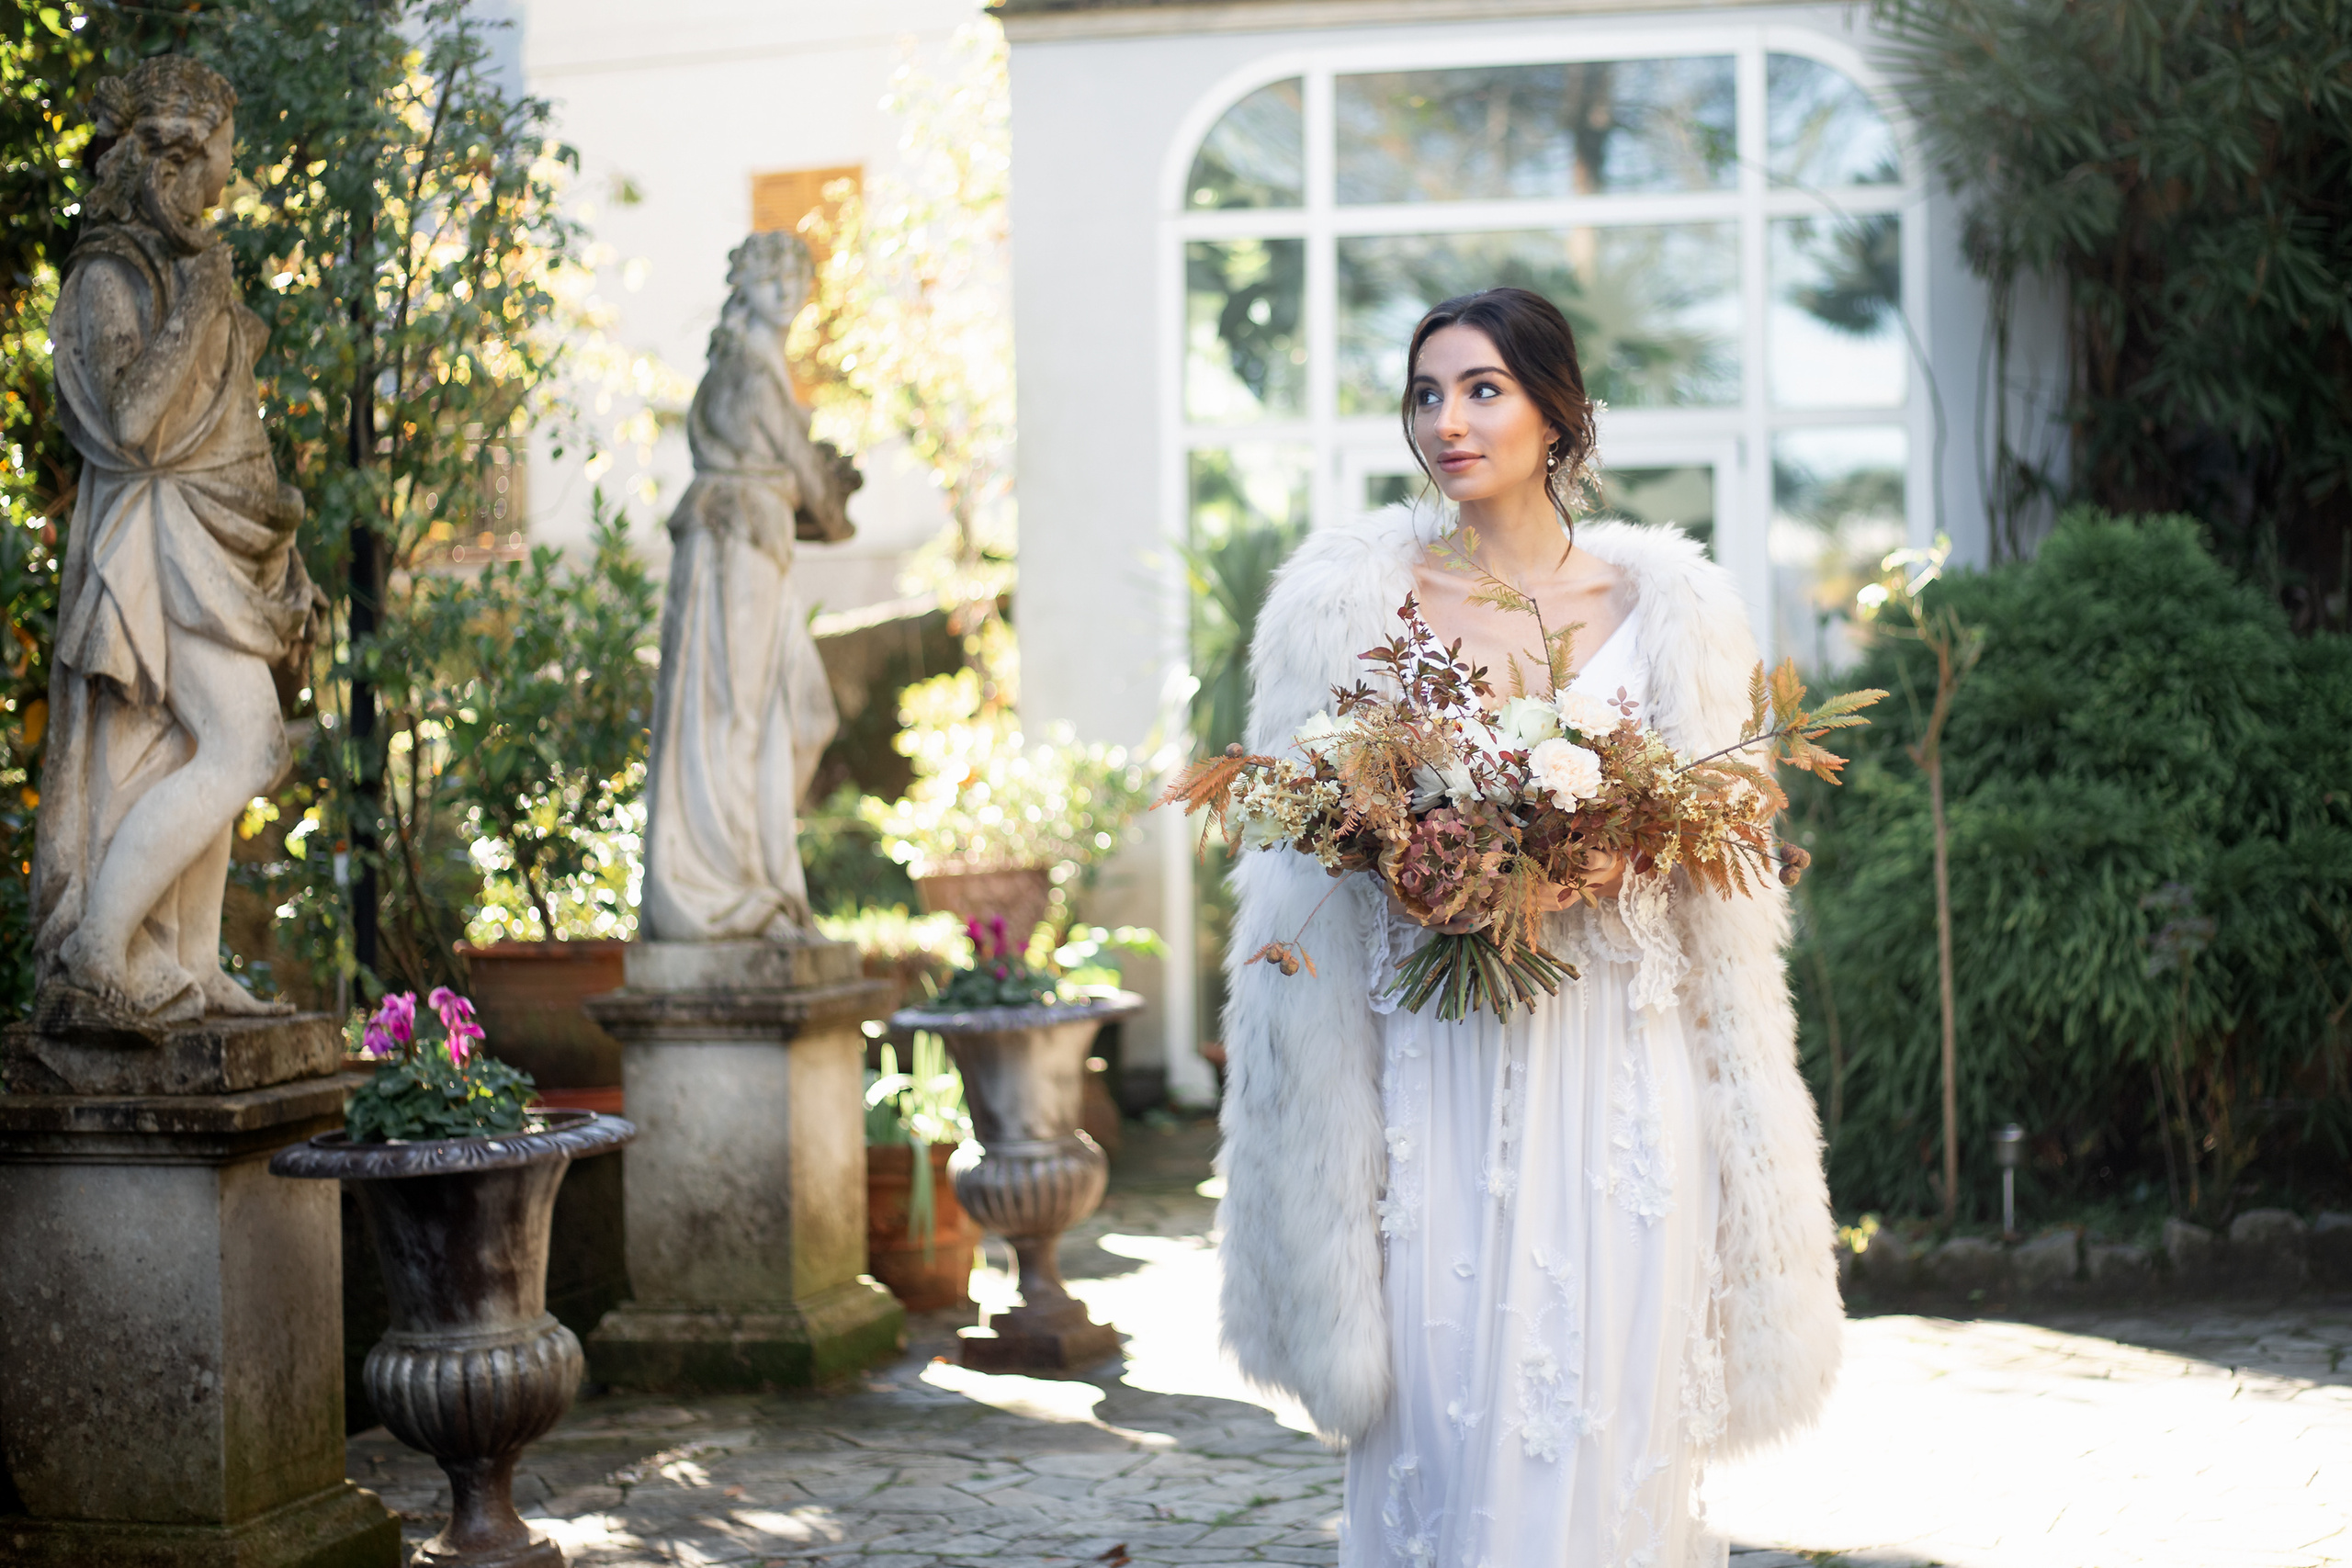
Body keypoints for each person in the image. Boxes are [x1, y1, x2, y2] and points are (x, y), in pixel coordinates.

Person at [1216, 288, 1842, 1566]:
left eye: (1482, 389)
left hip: (1621, 1074)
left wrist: (1610, 848)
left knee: (1614, 1410)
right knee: (1441, 1412)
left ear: (1557, 413)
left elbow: (1718, 845)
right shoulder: (1349, 611)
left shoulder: (1670, 611)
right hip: (1433, 1071)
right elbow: (1299, 845)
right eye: (1426, 394)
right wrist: (1415, 864)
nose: (1447, 421)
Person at [33, 57, 317, 1022]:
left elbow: (235, 434)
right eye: (225, 152)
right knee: (245, 743)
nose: (230, 174)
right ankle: (98, 944)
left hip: (210, 541)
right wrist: (198, 303)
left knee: (206, 743)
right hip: (156, 547)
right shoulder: (107, 275)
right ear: (181, 157)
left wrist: (283, 552)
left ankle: (192, 961)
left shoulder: (190, 266)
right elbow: (128, 423)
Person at [639, 231, 861, 942]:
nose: (787, 291)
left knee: (800, 710)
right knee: (737, 711)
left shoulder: (764, 370)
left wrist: (819, 490)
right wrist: (826, 489)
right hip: (735, 544)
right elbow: (813, 489)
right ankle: (734, 886)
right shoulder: (746, 374)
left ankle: (758, 874)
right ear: (745, 286)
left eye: (797, 278)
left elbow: (807, 486)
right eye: (772, 278)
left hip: (759, 545)